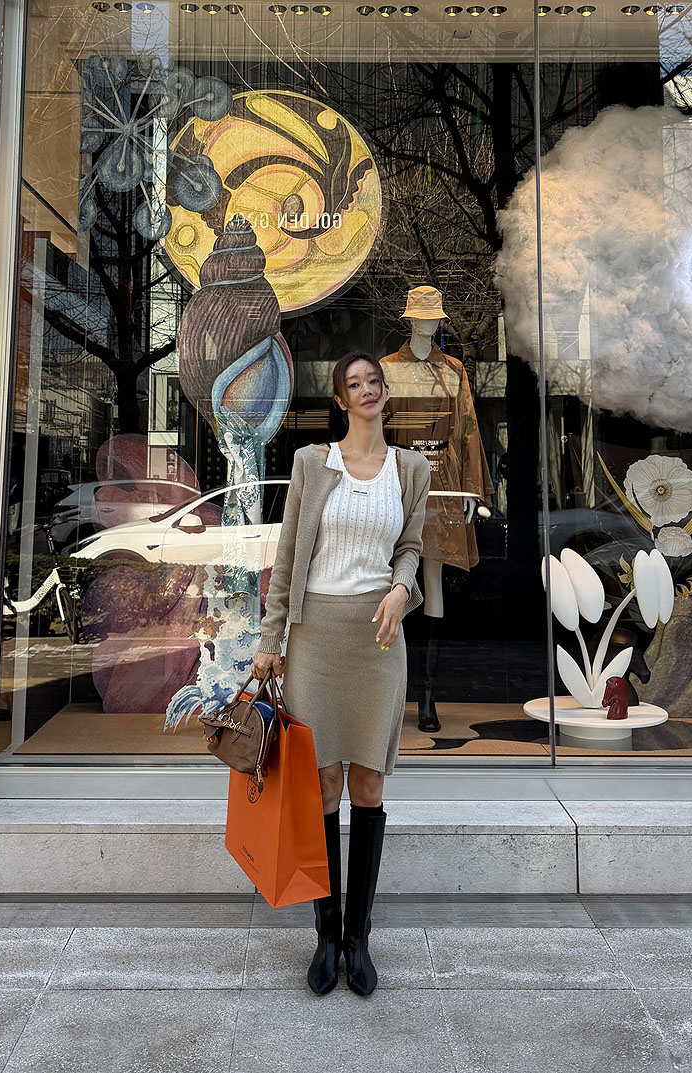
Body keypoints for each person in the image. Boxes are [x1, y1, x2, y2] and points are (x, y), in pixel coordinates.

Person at [252, 350, 430, 996]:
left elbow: (410, 546)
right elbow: (289, 556)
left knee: (370, 783)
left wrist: (401, 589)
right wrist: (271, 639)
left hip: (378, 637)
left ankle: (361, 939)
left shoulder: (410, 468)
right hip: (316, 636)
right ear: (340, 399)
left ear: (384, 393)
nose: (366, 390)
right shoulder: (312, 462)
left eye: (374, 381)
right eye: (354, 384)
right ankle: (327, 936)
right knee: (325, 780)